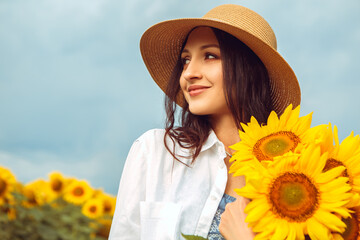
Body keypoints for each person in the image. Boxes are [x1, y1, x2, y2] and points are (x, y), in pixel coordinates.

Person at [109, 4, 300, 240]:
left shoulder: (294, 177)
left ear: (249, 69)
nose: (189, 72)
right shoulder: (154, 152)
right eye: (186, 60)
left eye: (210, 56)